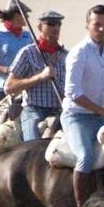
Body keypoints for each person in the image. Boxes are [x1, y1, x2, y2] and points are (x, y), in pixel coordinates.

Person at [61, 4, 104, 207]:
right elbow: (73, 92)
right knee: (86, 157)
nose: (101, 28)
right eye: (97, 24)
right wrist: (103, 111)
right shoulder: (78, 53)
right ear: (87, 25)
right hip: (77, 116)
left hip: (102, 117)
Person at [5, 10, 68, 142]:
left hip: (61, 110)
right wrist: (40, 77)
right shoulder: (28, 53)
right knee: (32, 148)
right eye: (50, 24)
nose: (55, 28)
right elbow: (9, 87)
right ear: (40, 27)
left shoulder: (66, 55)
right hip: (34, 110)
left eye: (58, 24)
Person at [0, 0, 34, 121]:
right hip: (2, 87)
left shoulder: (28, 36)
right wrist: (7, 69)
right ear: (17, 15)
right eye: (25, 15)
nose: (27, 18)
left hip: (23, 87)